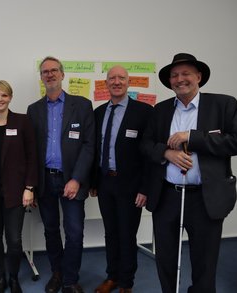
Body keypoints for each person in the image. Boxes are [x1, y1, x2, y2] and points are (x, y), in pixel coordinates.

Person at [141, 53, 237, 293]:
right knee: (166, 258)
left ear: (198, 76)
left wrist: (193, 137)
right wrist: (166, 154)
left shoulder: (223, 104)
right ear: (170, 81)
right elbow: (145, 144)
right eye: (174, 75)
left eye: (186, 73)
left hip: (205, 197)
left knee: (205, 260)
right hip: (167, 197)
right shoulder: (159, 110)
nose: (180, 79)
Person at [27, 56, 95, 293]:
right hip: (45, 179)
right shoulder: (34, 110)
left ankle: (70, 278)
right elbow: (32, 151)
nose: (50, 74)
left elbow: (89, 145)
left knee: (75, 232)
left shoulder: (83, 105)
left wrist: (76, 178)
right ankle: (57, 272)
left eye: (54, 70)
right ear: (41, 77)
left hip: (71, 180)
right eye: (45, 71)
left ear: (62, 74)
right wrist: (31, 186)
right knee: (51, 230)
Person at [90, 66, 152, 293]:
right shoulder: (98, 112)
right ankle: (112, 277)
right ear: (106, 83)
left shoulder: (144, 112)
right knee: (111, 233)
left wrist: (145, 188)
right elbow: (96, 150)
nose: (116, 82)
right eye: (112, 78)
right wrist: (94, 182)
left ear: (128, 82)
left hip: (131, 186)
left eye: (121, 78)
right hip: (106, 183)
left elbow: (149, 155)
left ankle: (126, 283)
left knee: (127, 234)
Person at [0, 80, 38, 293]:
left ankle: (13, 278)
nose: (0, 99)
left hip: (16, 191)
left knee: (14, 239)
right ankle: (0, 278)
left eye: (4, 95)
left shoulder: (22, 122)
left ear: (10, 97)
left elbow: (32, 157)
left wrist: (29, 187)